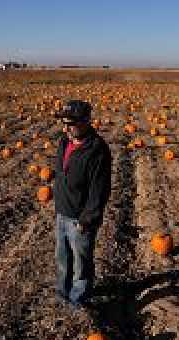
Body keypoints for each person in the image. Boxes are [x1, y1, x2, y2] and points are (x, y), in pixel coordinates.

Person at [53, 100, 112, 308]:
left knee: (81, 262)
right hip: (62, 212)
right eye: (64, 123)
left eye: (71, 123)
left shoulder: (98, 150)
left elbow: (100, 191)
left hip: (80, 219)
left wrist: (88, 219)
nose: (66, 128)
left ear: (87, 122)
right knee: (63, 258)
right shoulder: (64, 142)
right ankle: (63, 291)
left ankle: (78, 298)